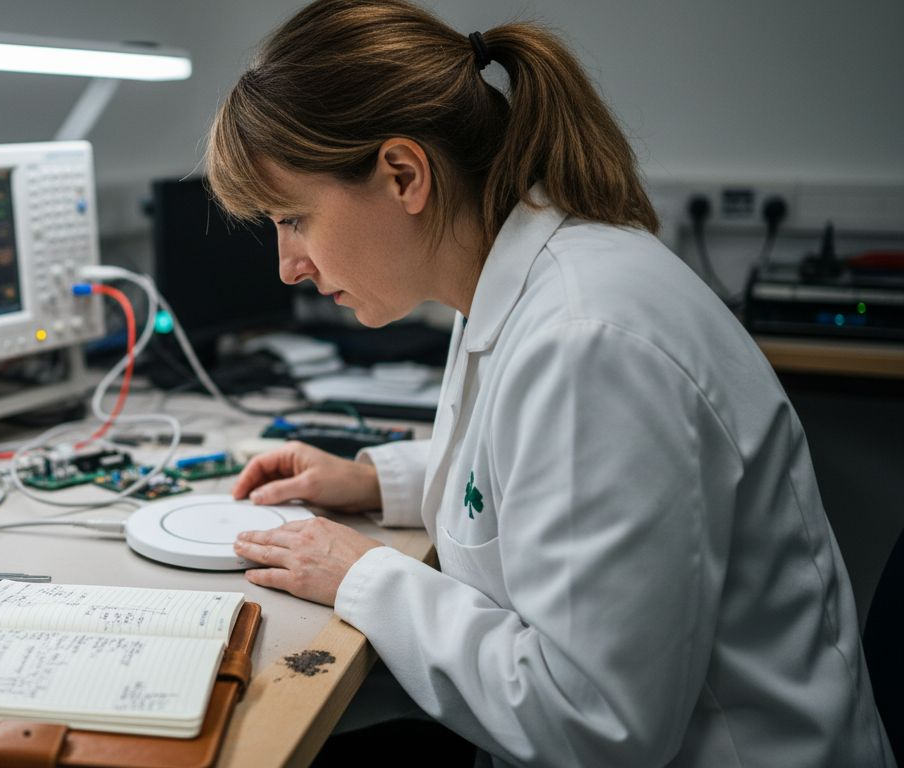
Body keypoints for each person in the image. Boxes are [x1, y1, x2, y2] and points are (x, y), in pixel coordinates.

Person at [205, 1, 894, 765]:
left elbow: (593, 720)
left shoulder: (587, 339)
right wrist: (376, 480)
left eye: (293, 218)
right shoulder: (518, 275)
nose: (287, 265)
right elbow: (531, 477)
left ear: (404, 174)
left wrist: (363, 574)